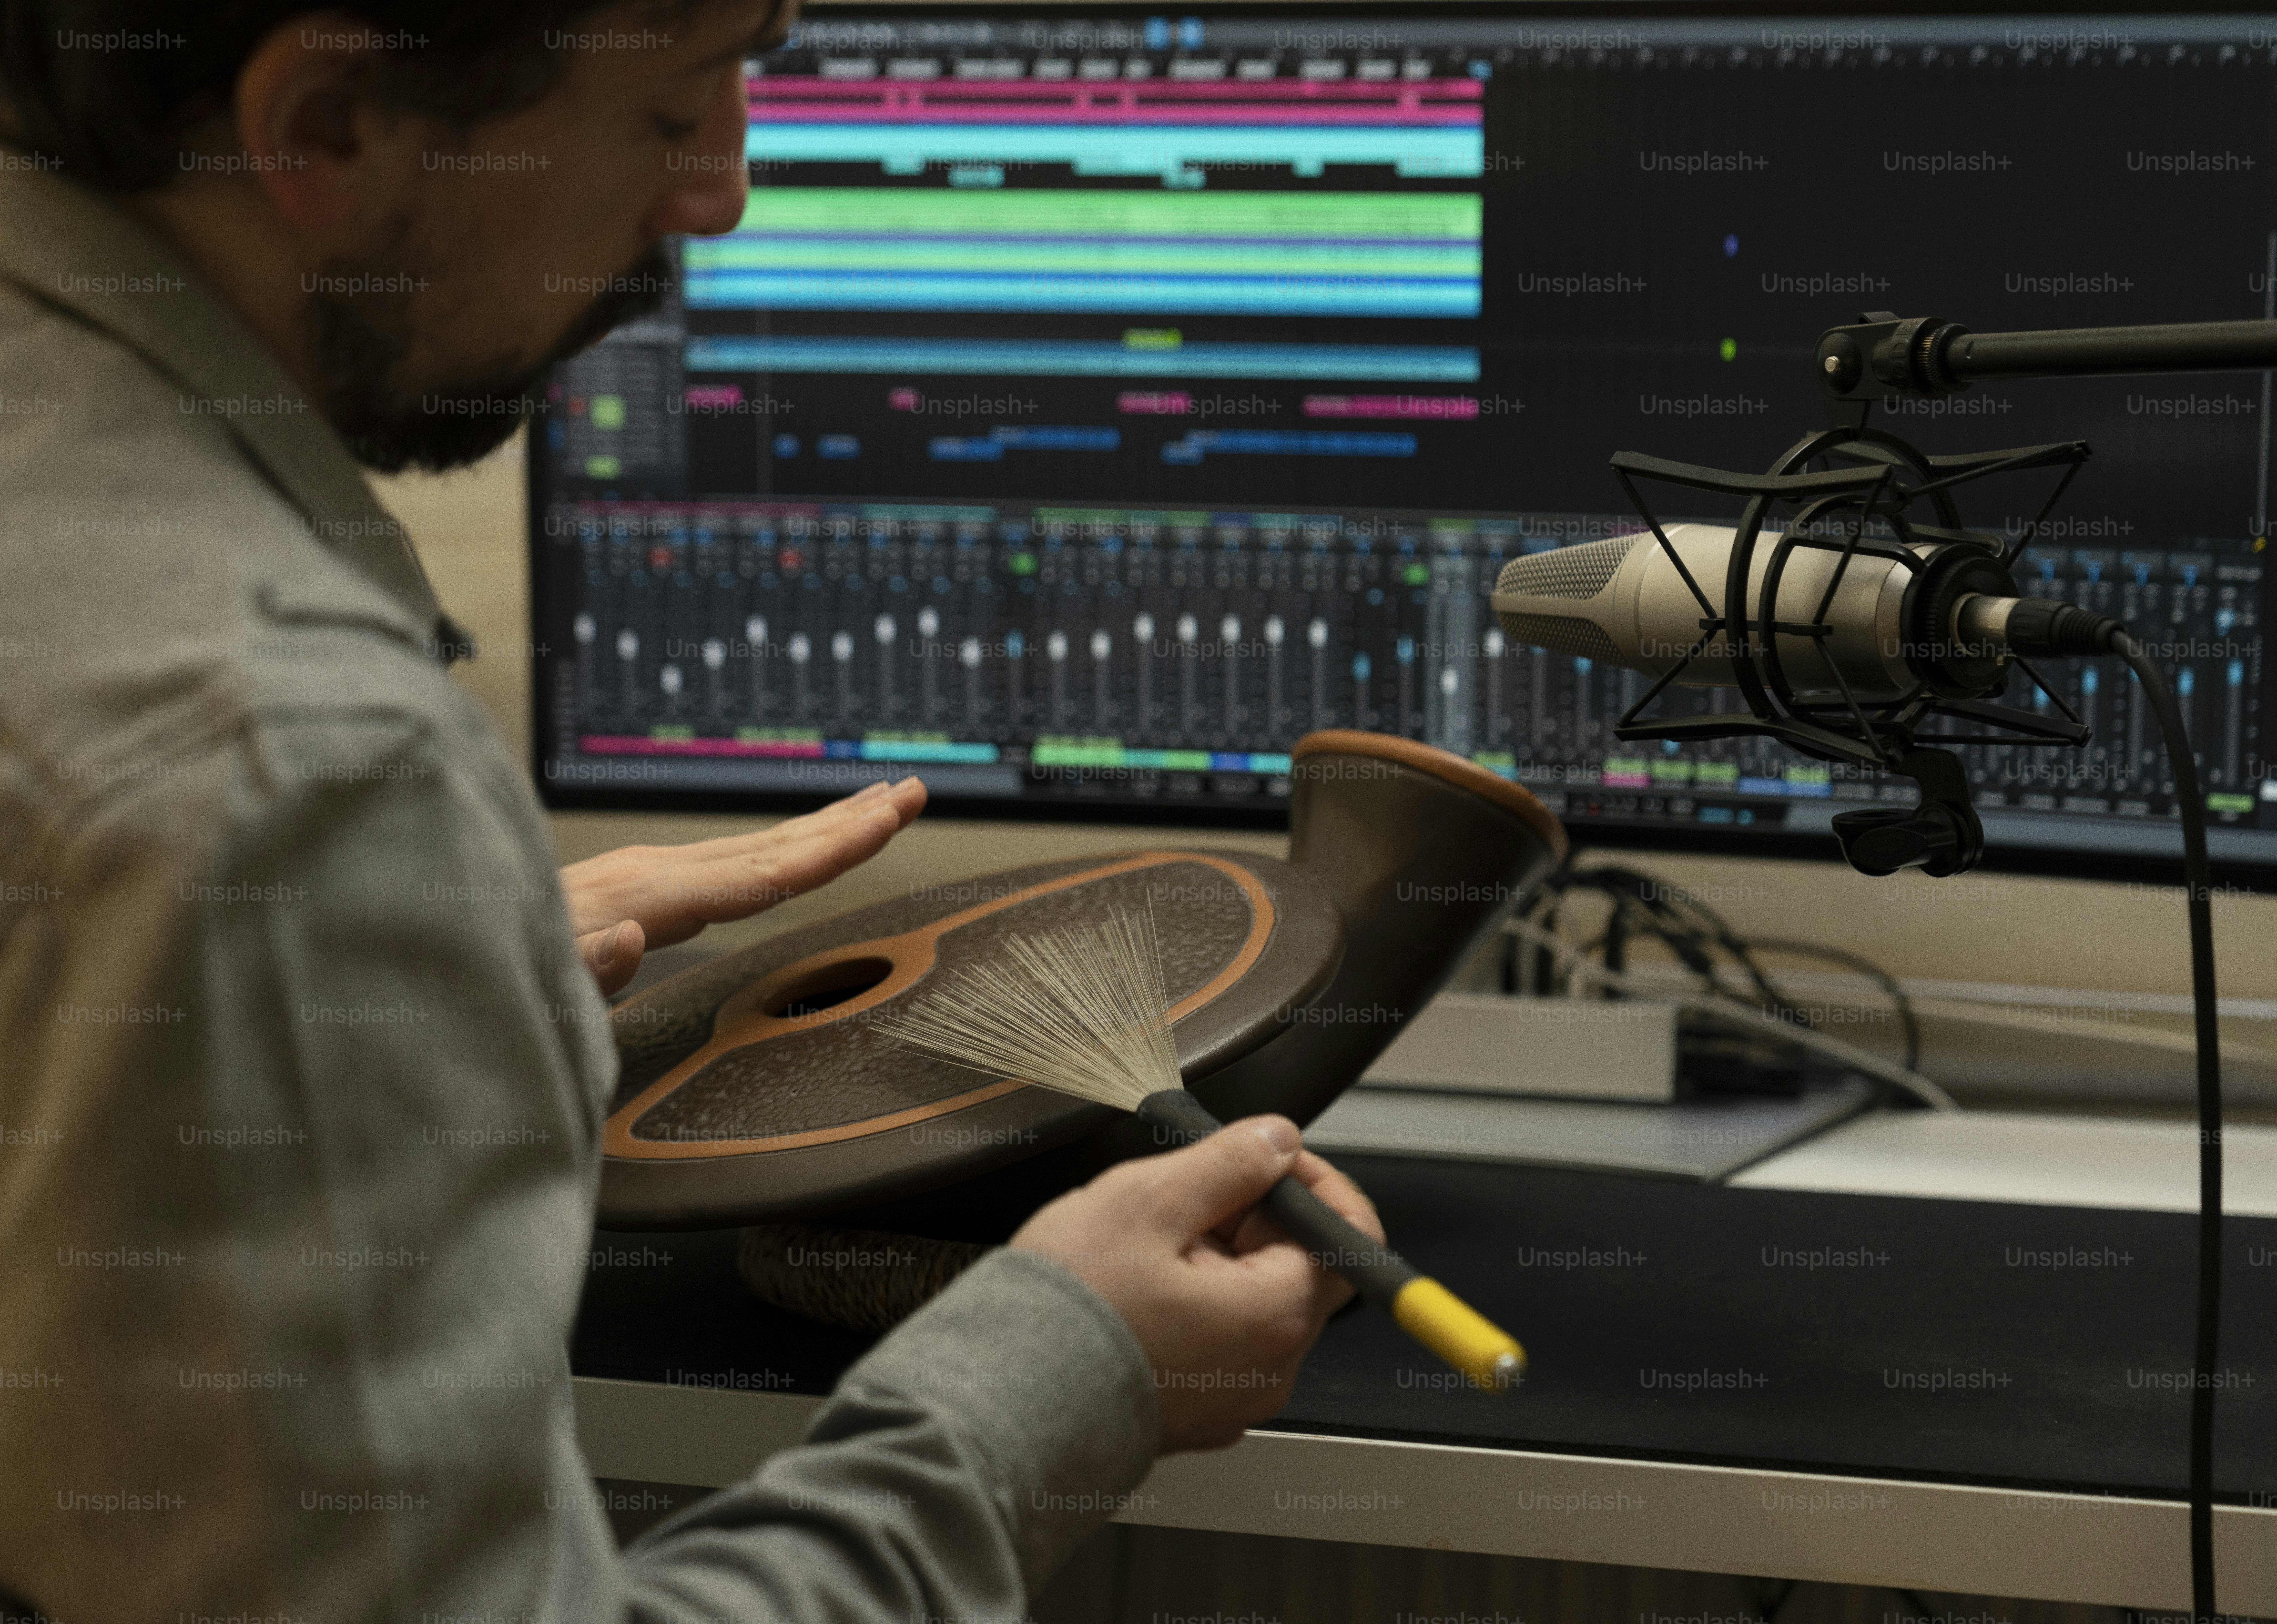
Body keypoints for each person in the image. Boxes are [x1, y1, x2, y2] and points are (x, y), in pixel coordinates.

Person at [0, 2, 1385, 1618]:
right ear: (321, 125)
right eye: (671, 115)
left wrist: (418, 1001)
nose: (721, 191)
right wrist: (1072, 1375)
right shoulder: (289, 761)